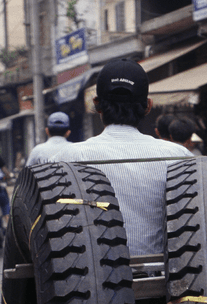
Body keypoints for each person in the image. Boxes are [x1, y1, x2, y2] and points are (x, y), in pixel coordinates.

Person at [49, 58, 193, 256]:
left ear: (97, 105)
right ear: (148, 106)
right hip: (160, 279)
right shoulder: (179, 156)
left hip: (86, 282)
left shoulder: (65, 159)